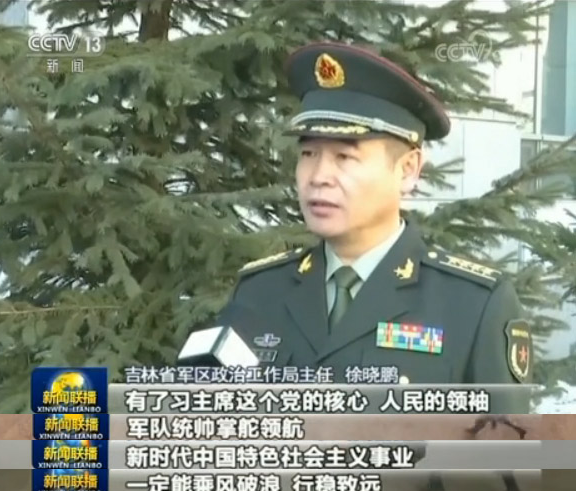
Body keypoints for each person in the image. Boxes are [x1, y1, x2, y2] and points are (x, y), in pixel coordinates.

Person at [218, 42, 533, 410]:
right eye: (308, 154)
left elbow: (501, 445)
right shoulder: (258, 293)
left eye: (344, 156)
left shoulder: (473, 306)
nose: (318, 176)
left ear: (408, 169)